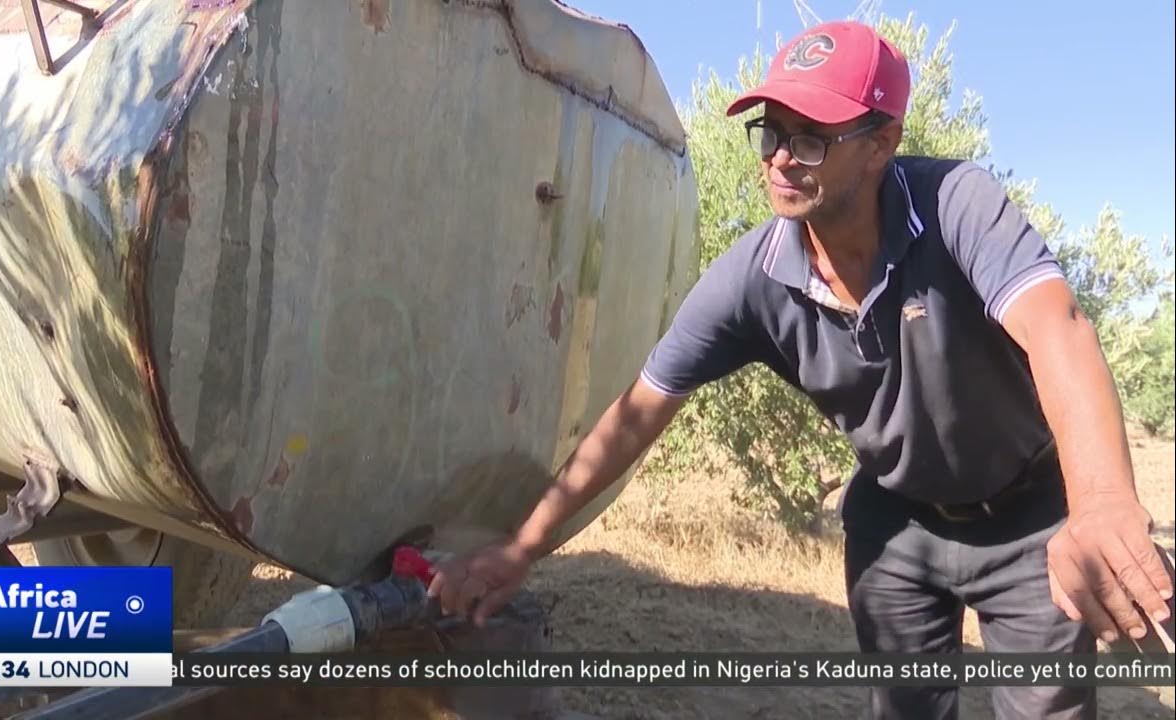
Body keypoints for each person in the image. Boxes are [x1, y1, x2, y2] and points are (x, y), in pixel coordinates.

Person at [427, 19, 1172, 719]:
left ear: (882, 143)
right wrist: (522, 547)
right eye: (771, 134)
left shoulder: (956, 205)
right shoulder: (752, 279)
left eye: (811, 139)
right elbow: (637, 413)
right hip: (897, 524)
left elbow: (1058, 328)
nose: (780, 158)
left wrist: (1103, 501)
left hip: (1029, 522)